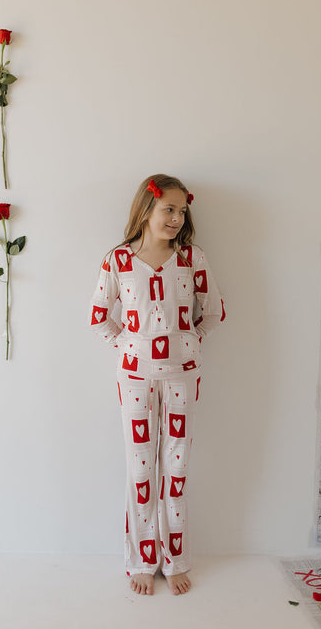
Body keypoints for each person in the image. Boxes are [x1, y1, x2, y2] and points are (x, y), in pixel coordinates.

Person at [89, 174, 226, 596]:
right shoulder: (118, 261)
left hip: (183, 375)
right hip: (134, 377)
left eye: (181, 211)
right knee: (142, 469)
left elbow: (215, 311)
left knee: (177, 469)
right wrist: (129, 346)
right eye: (168, 209)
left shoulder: (192, 259)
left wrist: (188, 341)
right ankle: (141, 560)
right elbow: (99, 316)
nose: (176, 218)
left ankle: (176, 559)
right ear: (146, 210)